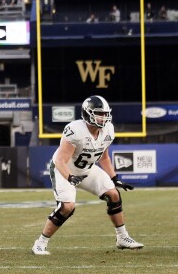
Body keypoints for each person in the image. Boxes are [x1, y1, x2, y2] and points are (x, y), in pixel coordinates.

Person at [31, 96, 143, 255]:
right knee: (67, 207)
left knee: (113, 194)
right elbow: (61, 161)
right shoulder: (75, 130)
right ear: (88, 113)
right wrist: (70, 178)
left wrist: (114, 178)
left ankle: (122, 237)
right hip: (64, 169)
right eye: (99, 113)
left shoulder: (108, 130)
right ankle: (40, 243)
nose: (103, 117)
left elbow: (104, 157)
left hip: (87, 170)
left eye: (105, 114)